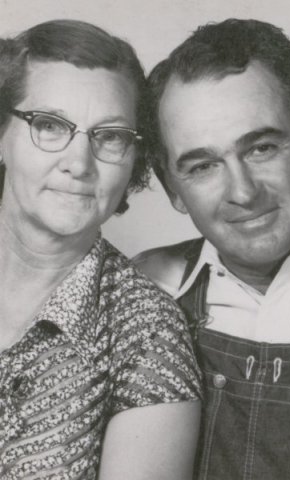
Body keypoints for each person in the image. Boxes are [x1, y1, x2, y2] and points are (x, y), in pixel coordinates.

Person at [134, 18, 290, 480]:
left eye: (262, 148)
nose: (243, 192)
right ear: (173, 190)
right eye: (203, 166)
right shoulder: (143, 294)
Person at [0, 19, 201, 480]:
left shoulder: (148, 336)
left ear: (133, 161)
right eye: (49, 126)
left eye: (109, 136)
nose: (78, 163)